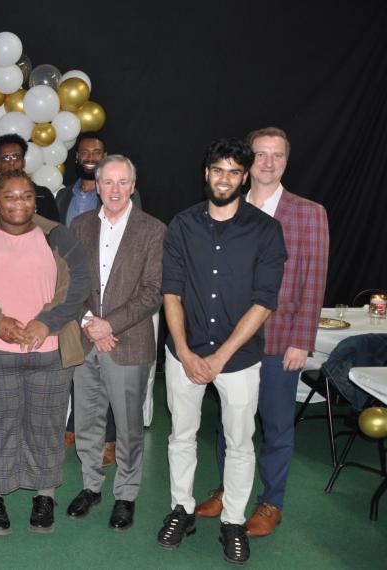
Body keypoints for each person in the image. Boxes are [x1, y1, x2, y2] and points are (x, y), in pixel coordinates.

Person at [194, 127, 330, 537]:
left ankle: (271, 501)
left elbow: (315, 279)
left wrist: (302, 340)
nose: (269, 163)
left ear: (287, 161)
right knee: (230, 424)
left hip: (278, 341)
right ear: (247, 161)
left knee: (275, 426)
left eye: (278, 156)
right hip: (231, 340)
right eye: (261, 155)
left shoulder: (309, 213)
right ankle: (228, 490)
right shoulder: (226, 205)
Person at [157, 138, 286, 565]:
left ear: (244, 177)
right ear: (206, 173)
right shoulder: (182, 225)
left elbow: (265, 301)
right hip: (184, 355)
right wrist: (183, 350)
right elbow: (170, 294)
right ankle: (182, 509)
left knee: (240, 443)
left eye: (234, 171)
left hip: (239, 359)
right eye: (218, 169)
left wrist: (219, 358)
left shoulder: (266, 230)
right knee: (180, 435)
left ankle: (233, 520)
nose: (224, 178)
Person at [0, 170, 90, 535]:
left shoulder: (57, 235)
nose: (19, 203)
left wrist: (47, 322)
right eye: (10, 196)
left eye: (26, 196)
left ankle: (44, 495)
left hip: (50, 351)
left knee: (47, 424)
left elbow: (79, 283)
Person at [66, 155, 165, 531]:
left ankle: (126, 494)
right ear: (97, 185)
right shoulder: (78, 226)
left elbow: (153, 291)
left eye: (122, 182)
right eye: (108, 182)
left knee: (127, 427)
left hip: (128, 342)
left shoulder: (153, 230)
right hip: (86, 340)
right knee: (87, 421)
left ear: (133, 187)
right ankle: (91, 486)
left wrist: (109, 325)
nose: (115, 190)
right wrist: (91, 324)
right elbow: (70, 284)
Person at [0, 134, 60, 221]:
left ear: (24, 162)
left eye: (16, 157)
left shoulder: (43, 194)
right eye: (5, 158)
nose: (11, 163)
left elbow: (54, 231)